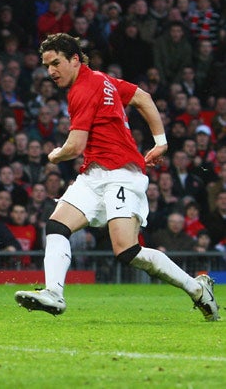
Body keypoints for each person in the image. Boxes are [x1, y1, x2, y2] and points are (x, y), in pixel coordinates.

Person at [14, 33, 219, 322]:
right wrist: (160, 141)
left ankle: (198, 290)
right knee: (57, 225)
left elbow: (75, 146)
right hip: (95, 173)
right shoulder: (102, 79)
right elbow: (143, 97)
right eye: (47, 65)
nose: (51, 72)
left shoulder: (82, 90)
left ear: (74, 59)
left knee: (128, 251)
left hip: (121, 173)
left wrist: (54, 155)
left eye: (56, 63)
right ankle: (53, 293)